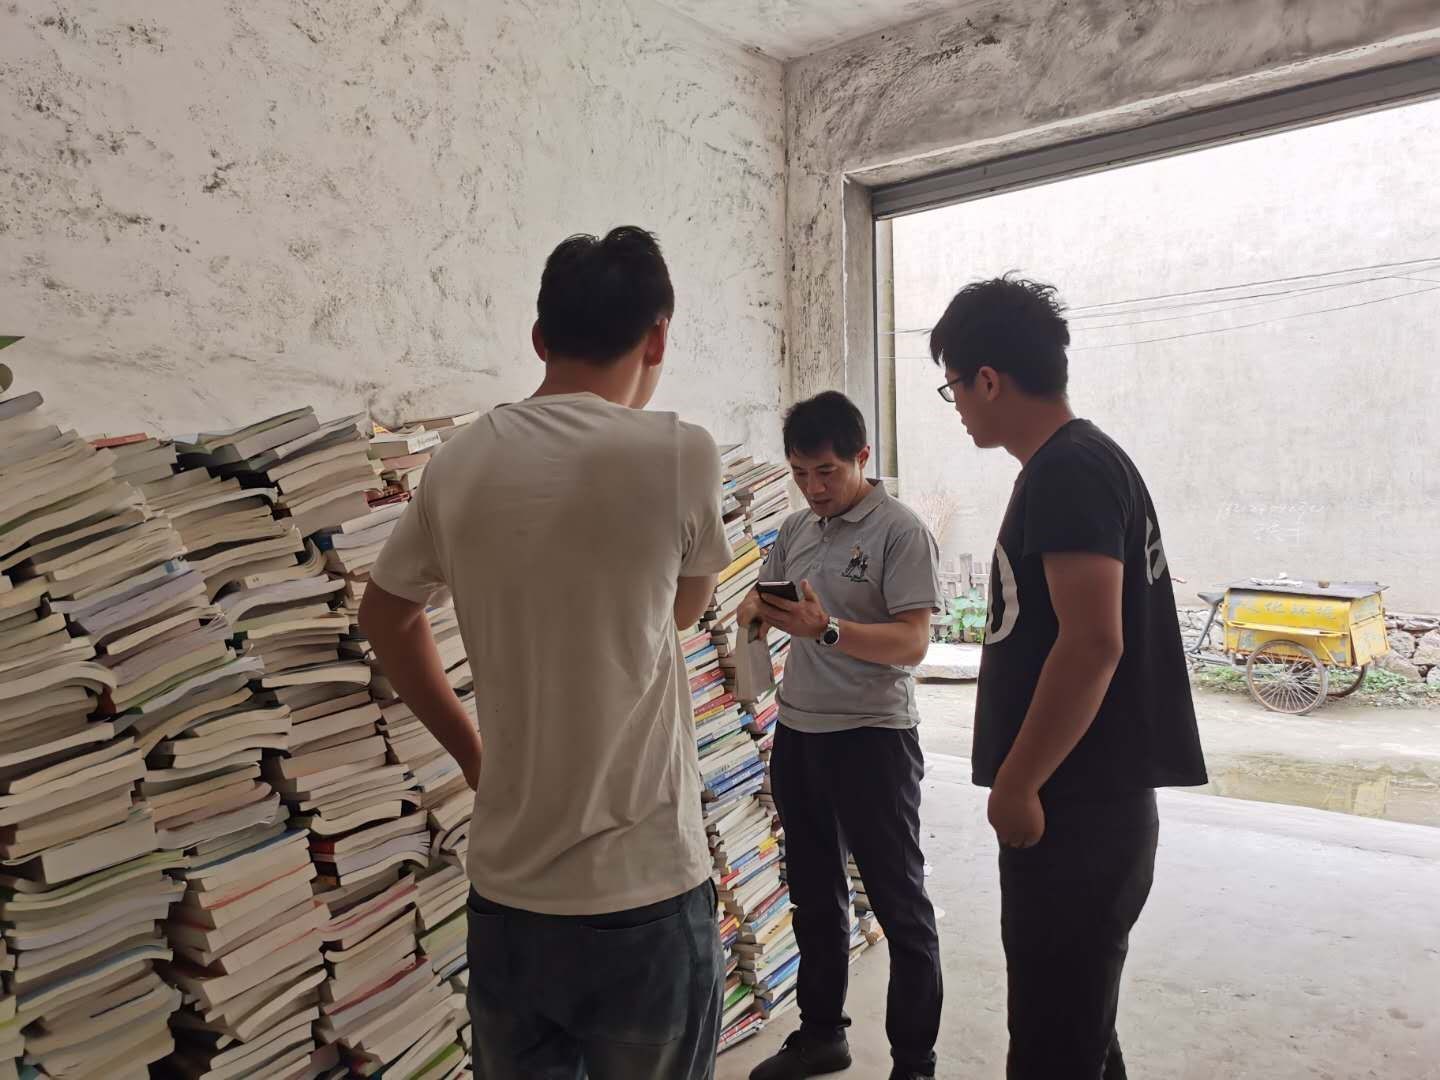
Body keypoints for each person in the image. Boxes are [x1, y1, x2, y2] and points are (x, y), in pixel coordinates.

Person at [360, 226, 733, 1080]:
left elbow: (386, 616)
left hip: (509, 898)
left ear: (539, 338)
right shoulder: (680, 453)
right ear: (658, 338)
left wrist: (473, 756)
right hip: (644, 893)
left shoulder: (457, 462)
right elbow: (682, 611)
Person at [928, 275, 1208, 1079]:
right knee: (1081, 1035)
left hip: (1077, 811)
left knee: (1053, 1047)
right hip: (1094, 806)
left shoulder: (1068, 472)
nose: (956, 406)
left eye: (954, 386)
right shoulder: (1084, 461)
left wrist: (1019, 782)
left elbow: (1092, 644)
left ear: (988, 380)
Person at [739, 391, 944, 1080]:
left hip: (873, 739)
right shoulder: (795, 529)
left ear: (862, 457)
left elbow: (913, 643)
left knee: (898, 902)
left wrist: (826, 630)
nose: (814, 487)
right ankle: (822, 1034)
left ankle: (914, 1062)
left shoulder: (900, 531)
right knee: (813, 893)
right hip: (800, 733)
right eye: (800, 473)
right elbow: (772, 602)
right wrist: (755, 614)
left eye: (826, 471)